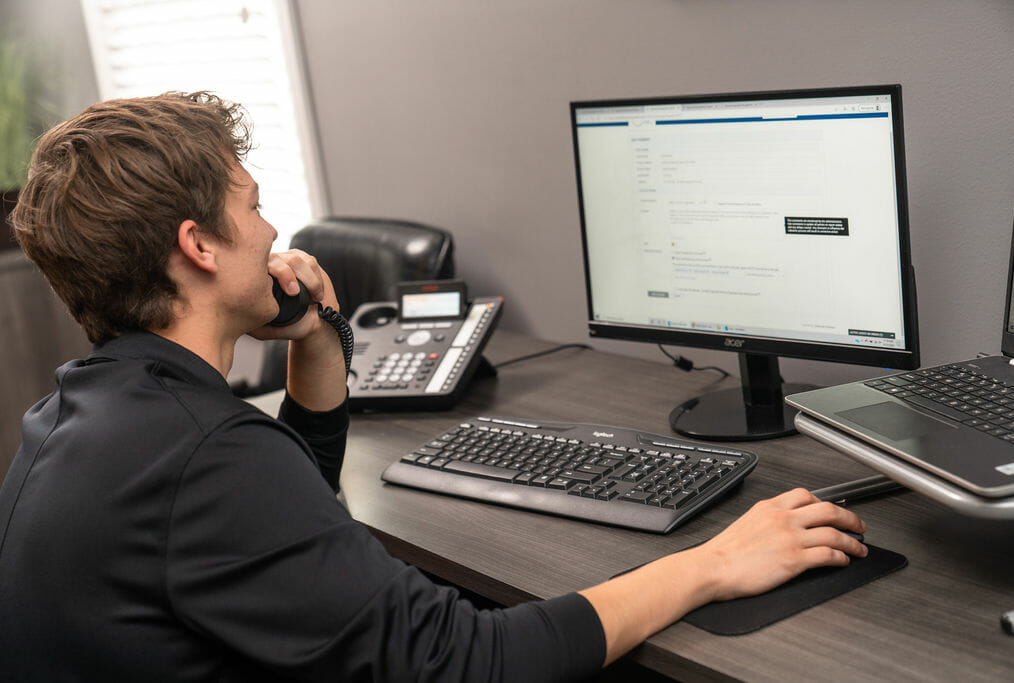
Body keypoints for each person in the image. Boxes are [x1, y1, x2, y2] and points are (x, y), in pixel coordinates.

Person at [0, 92, 867, 682]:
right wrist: (714, 561)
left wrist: (316, 336)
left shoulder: (82, 415)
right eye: (254, 204)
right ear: (199, 246)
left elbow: (282, 499)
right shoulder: (208, 452)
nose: (271, 228)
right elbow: (467, 663)